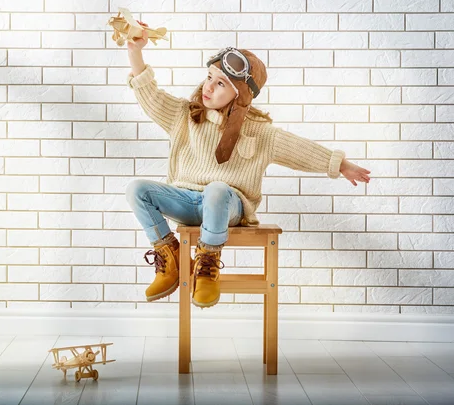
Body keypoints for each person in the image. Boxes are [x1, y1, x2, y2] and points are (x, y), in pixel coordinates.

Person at [125, 28, 371, 309]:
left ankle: (207, 264)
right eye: (209, 78)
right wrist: (135, 51)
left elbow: (300, 150)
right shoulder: (184, 116)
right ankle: (170, 256)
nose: (208, 87)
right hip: (185, 200)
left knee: (217, 190)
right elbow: (150, 95)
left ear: (239, 93)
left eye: (220, 84)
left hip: (226, 206)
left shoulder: (258, 132)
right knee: (137, 189)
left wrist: (341, 165)